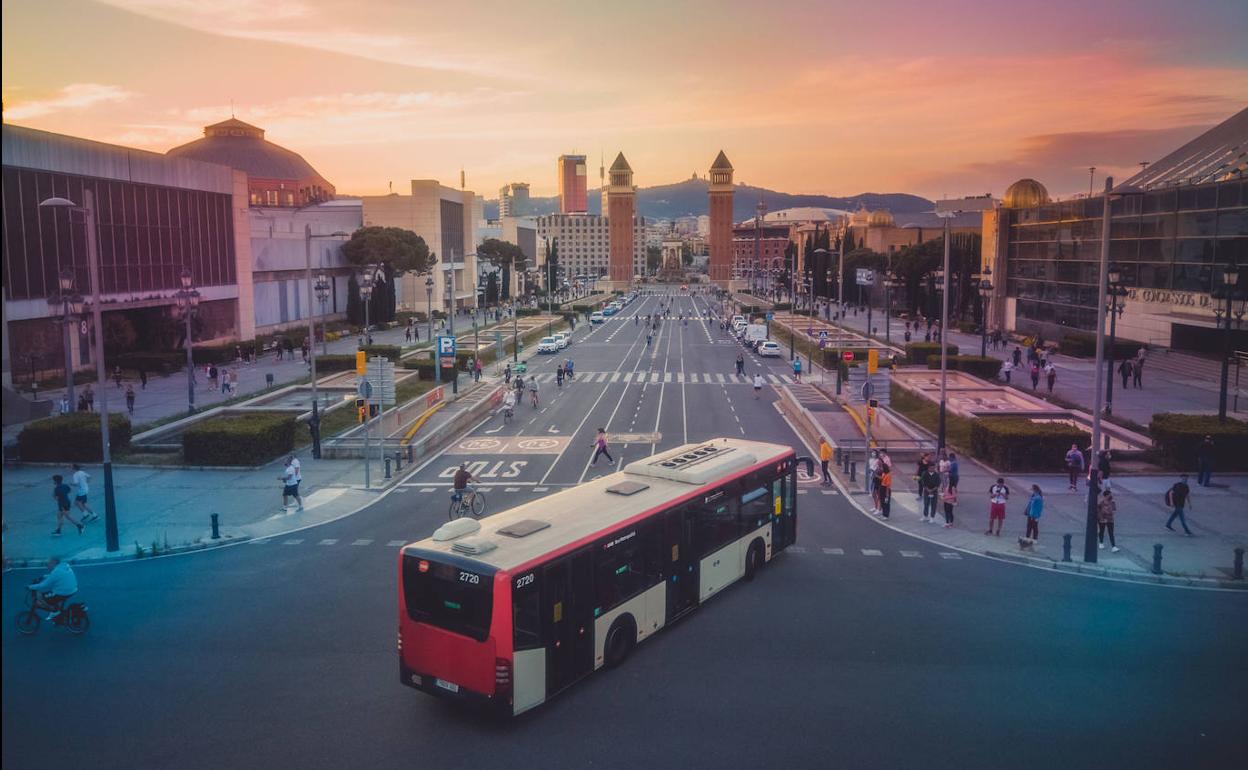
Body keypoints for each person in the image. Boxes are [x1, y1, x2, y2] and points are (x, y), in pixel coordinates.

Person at [1020, 484, 1043, 548]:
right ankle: (1027, 537)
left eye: (1033, 490)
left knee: (1034, 527)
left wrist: (1037, 515)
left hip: (1035, 515)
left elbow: (1039, 508)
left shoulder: (1038, 498)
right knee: (1029, 526)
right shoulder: (1033, 497)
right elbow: (1030, 505)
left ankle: (1035, 539)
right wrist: (1026, 511)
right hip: (1030, 514)